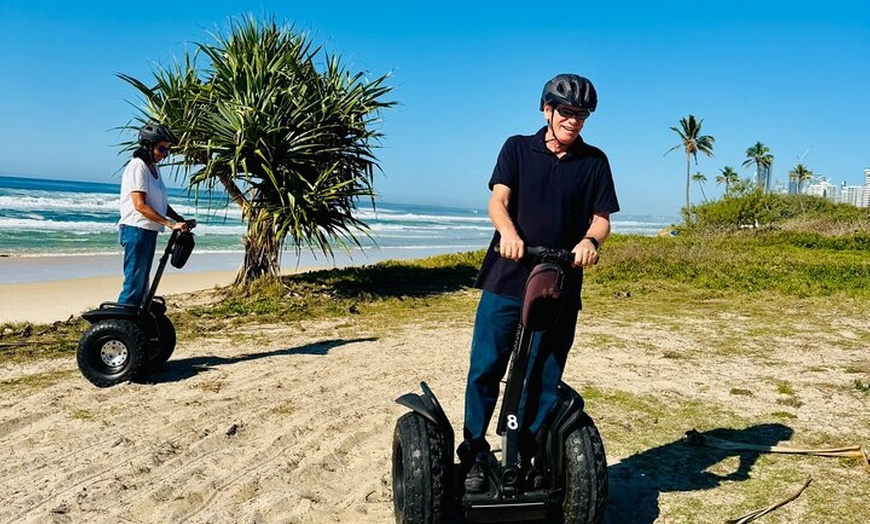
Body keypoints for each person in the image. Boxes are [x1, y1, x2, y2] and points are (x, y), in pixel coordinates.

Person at [459, 74, 620, 492]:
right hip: (507, 278)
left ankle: (525, 452)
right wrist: (509, 236)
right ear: (547, 109)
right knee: (487, 366)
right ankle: (474, 451)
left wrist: (589, 241)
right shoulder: (517, 148)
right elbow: (499, 199)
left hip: (557, 285)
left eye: (581, 114)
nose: (574, 120)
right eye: (566, 112)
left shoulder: (595, 162)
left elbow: (601, 219)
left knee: (543, 374)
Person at [117, 123, 190, 307]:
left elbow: (160, 203)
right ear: (148, 146)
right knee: (134, 283)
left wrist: (179, 219)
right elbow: (140, 205)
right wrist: (169, 224)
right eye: (162, 148)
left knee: (142, 285)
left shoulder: (154, 169)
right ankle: (121, 327)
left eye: (168, 149)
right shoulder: (137, 166)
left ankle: (136, 328)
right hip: (135, 229)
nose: (165, 153)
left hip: (148, 230)